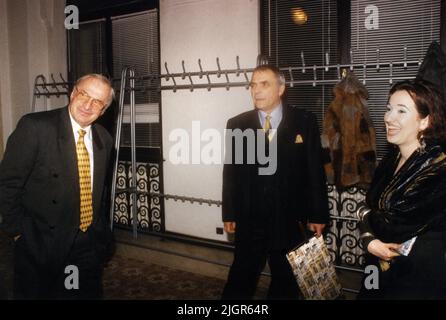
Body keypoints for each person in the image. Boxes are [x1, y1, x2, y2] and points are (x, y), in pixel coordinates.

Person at [0, 74, 115, 299]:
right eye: (84, 94)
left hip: (87, 242)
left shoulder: (105, 139)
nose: (88, 104)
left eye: (97, 102)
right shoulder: (36, 127)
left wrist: (100, 236)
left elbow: (99, 193)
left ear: (103, 110)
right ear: (73, 93)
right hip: (41, 243)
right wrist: (17, 232)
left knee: (80, 294)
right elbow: (7, 183)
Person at [221, 64, 329, 299]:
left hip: (289, 219)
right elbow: (231, 173)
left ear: (281, 88)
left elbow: (314, 171)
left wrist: (319, 214)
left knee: (286, 282)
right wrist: (229, 212)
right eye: (253, 85)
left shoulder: (304, 121)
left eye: (264, 84)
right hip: (250, 219)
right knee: (240, 279)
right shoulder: (237, 124)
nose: (256, 91)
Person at [357, 79, 446, 299]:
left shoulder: (438, 167)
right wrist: (370, 235)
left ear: (425, 121)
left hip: (415, 275)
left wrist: (366, 228)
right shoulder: (391, 158)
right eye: (388, 109)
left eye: (401, 111)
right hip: (376, 267)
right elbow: (367, 206)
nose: (388, 118)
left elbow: (391, 226)